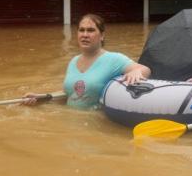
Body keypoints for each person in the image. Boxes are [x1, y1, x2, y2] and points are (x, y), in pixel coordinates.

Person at [23, 13, 151, 109]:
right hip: (69, 124)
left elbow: (145, 70)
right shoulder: (73, 61)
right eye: (81, 30)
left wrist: (136, 71)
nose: (85, 34)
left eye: (90, 30)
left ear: (102, 36)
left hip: (95, 125)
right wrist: (41, 98)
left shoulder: (114, 59)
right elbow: (70, 95)